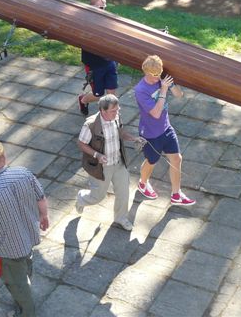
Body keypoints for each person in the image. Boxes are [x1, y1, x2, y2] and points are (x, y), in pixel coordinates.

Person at [0, 141, 49, 317]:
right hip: (29, 236)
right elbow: (41, 198)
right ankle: (25, 280)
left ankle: (27, 313)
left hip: (7, 249)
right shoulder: (24, 174)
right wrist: (44, 216)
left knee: (16, 283)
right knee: (26, 263)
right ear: (4, 157)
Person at [76, 94, 145, 231]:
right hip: (101, 167)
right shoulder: (90, 125)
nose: (116, 113)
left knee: (123, 192)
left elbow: (121, 133)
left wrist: (134, 138)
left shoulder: (116, 117)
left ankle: (121, 218)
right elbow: (81, 144)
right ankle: (81, 198)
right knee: (97, 197)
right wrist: (97, 155)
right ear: (103, 110)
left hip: (118, 163)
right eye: (113, 111)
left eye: (117, 109)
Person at [134, 55, 196, 206]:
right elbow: (155, 113)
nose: (157, 78)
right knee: (151, 161)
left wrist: (171, 84)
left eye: (159, 74)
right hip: (150, 133)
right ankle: (142, 183)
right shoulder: (141, 90)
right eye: (154, 75)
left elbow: (179, 95)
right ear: (146, 72)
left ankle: (176, 194)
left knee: (177, 159)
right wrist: (163, 90)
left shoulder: (160, 79)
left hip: (166, 128)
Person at [78, 0, 118, 116]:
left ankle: (112, 117)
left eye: (104, 7)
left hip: (109, 62)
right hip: (94, 65)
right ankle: (83, 100)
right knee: (98, 95)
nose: (103, 10)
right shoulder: (83, 23)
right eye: (100, 8)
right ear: (91, 7)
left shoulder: (107, 20)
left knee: (112, 94)